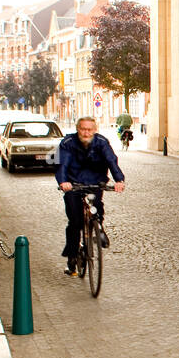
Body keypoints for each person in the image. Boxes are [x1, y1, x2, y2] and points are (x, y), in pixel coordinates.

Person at [55, 116, 125, 277]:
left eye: (89, 130)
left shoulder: (101, 142)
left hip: (95, 182)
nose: (86, 133)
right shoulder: (67, 143)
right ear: (77, 129)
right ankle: (72, 258)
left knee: (97, 206)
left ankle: (98, 225)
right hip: (73, 184)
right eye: (83, 129)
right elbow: (62, 164)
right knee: (75, 222)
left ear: (95, 130)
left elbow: (111, 160)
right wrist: (63, 181)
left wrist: (119, 179)